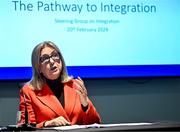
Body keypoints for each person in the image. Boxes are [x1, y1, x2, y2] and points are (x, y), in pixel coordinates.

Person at [18, 41, 101, 128]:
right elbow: (25, 127)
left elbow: (96, 123)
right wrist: (46, 124)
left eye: (55, 55)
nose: (52, 61)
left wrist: (85, 105)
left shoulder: (74, 85)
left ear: (61, 60)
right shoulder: (28, 91)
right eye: (45, 58)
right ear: (38, 67)